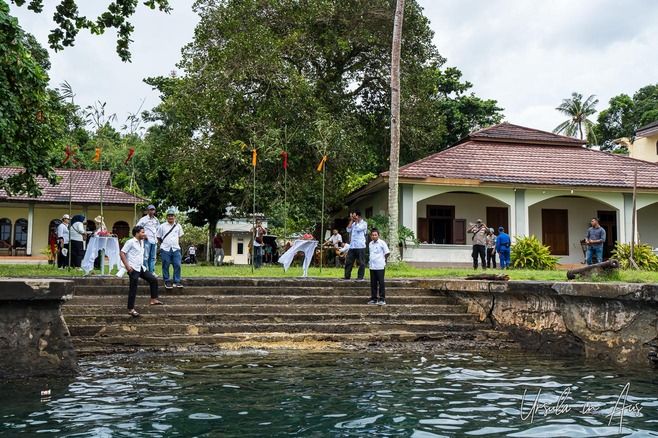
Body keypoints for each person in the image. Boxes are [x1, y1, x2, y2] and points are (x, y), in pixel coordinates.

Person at [120, 225, 162, 318]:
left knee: (153, 279)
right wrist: (127, 266)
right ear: (137, 233)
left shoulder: (142, 242)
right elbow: (122, 253)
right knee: (133, 288)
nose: (144, 234)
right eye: (142, 232)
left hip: (140, 267)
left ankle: (153, 299)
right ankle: (131, 309)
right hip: (133, 268)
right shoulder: (130, 242)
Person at [157, 208, 184, 289]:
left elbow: (180, 236)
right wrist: (163, 245)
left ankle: (177, 281)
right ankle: (167, 281)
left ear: (174, 217)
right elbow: (158, 237)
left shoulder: (178, 226)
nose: (170, 217)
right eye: (169, 216)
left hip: (176, 248)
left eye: (172, 216)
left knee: (177, 265)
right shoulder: (162, 226)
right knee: (165, 265)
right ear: (167, 217)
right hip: (165, 248)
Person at [368, 229, 390, 305]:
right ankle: (374, 298)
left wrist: (382, 259)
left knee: (381, 282)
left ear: (378, 235)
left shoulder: (382, 243)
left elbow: (387, 252)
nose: (374, 236)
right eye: (372, 235)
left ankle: (382, 298)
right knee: (373, 283)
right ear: (371, 236)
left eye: (375, 235)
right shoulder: (370, 244)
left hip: (380, 266)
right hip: (372, 266)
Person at [344, 211, 368, 281]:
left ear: (358, 216)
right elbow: (348, 230)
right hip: (352, 246)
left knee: (361, 262)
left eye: (354, 216)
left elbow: (358, 229)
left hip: (360, 246)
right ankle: (347, 276)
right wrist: (351, 220)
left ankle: (360, 277)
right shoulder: (354, 223)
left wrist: (356, 220)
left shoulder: (364, 224)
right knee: (349, 261)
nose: (353, 217)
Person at [136, 205, 160, 274]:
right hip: (147, 240)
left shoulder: (156, 220)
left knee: (153, 257)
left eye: (153, 210)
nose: (151, 211)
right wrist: (143, 235)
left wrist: (158, 238)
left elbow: (158, 229)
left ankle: (152, 271)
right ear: (147, 211)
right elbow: (137, 227)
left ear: (154, 211)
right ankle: (145, 271)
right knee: (146, 256)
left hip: (154, 240)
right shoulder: (144, 219)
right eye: (150, 210)